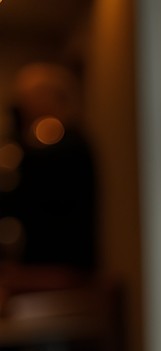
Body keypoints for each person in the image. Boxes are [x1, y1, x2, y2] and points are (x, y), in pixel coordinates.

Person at [0, 62, 98, 306]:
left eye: (27, 99)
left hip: (63, 267)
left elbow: (26, 195)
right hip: (42, 262)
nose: (24, 107)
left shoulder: (68, 147)